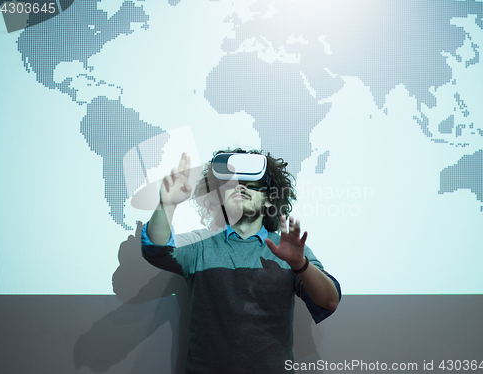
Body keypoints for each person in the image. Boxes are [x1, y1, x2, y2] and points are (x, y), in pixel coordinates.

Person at [141, 149, 341, 374]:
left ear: (269, 199)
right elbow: (156, 249)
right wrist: (166, 205)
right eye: (232, 182)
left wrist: (300, 264)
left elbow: (329, 301)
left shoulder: (289, 249)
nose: (240, 187)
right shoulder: (200, 245)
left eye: (252, 183)